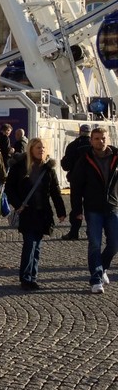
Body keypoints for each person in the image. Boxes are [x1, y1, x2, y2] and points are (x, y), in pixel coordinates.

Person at [5, 138, 67, 290]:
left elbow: (55, 192)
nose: (41, 150)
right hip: (27, 212)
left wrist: (61, 212)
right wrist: (18, 204)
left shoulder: (48, 169)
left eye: (44, 148)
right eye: (38, 147)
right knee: (30, 244)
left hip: (42, 213)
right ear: (31, 149)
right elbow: (9, 188)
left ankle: (33, 276)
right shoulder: (20, 167)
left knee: (37, 246)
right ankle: (26, 278)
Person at [69, 126, 118, 294]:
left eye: (103, 138)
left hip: (112, 207)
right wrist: (76, 210)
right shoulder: (85, 160)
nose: (100, 141)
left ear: (107, 139)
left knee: (114, 244)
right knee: (95, 244)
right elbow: (76, 187)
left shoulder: (116, 157)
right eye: (97, 138)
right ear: (91, 141)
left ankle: (102, 267)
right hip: (93, 208)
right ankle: (96, 279)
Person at [59, 124, 93, 240]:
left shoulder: (73, 145)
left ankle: (74, 232)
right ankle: (91, 231)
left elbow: (66, 165)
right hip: (92, 181)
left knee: (76, 207)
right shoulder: (93, 146)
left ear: (79, 132)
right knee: (90, 206)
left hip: (76, 180)